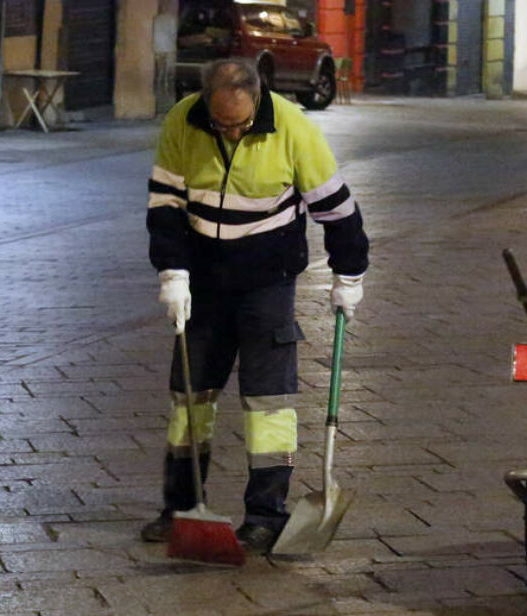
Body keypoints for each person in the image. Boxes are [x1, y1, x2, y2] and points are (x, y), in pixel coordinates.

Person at [141, 59, 369, 553]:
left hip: (268, 280)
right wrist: (173, 272)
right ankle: (181, 507)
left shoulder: (293, 127)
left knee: (268, 401)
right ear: (206, 103)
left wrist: (349, 275)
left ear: (257, 99)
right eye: (222, 124)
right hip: (203, 278)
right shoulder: (183, 120)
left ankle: (266, 515)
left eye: (240, 124)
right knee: (190, 394)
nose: (231, 132)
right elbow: (165, 206)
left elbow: (338, 210)